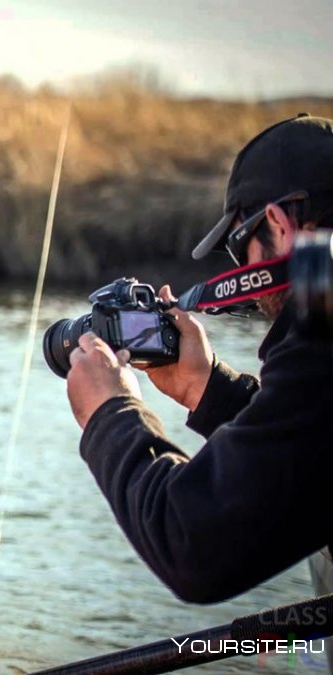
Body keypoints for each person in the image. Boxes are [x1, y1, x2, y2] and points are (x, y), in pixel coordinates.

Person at [63, 115, 333, 619]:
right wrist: (206, 387)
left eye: (239, 246)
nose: (239, 270)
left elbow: (191, 542)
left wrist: (110, 414)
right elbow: (309, 457)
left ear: (278, 223)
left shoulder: (323, 350)